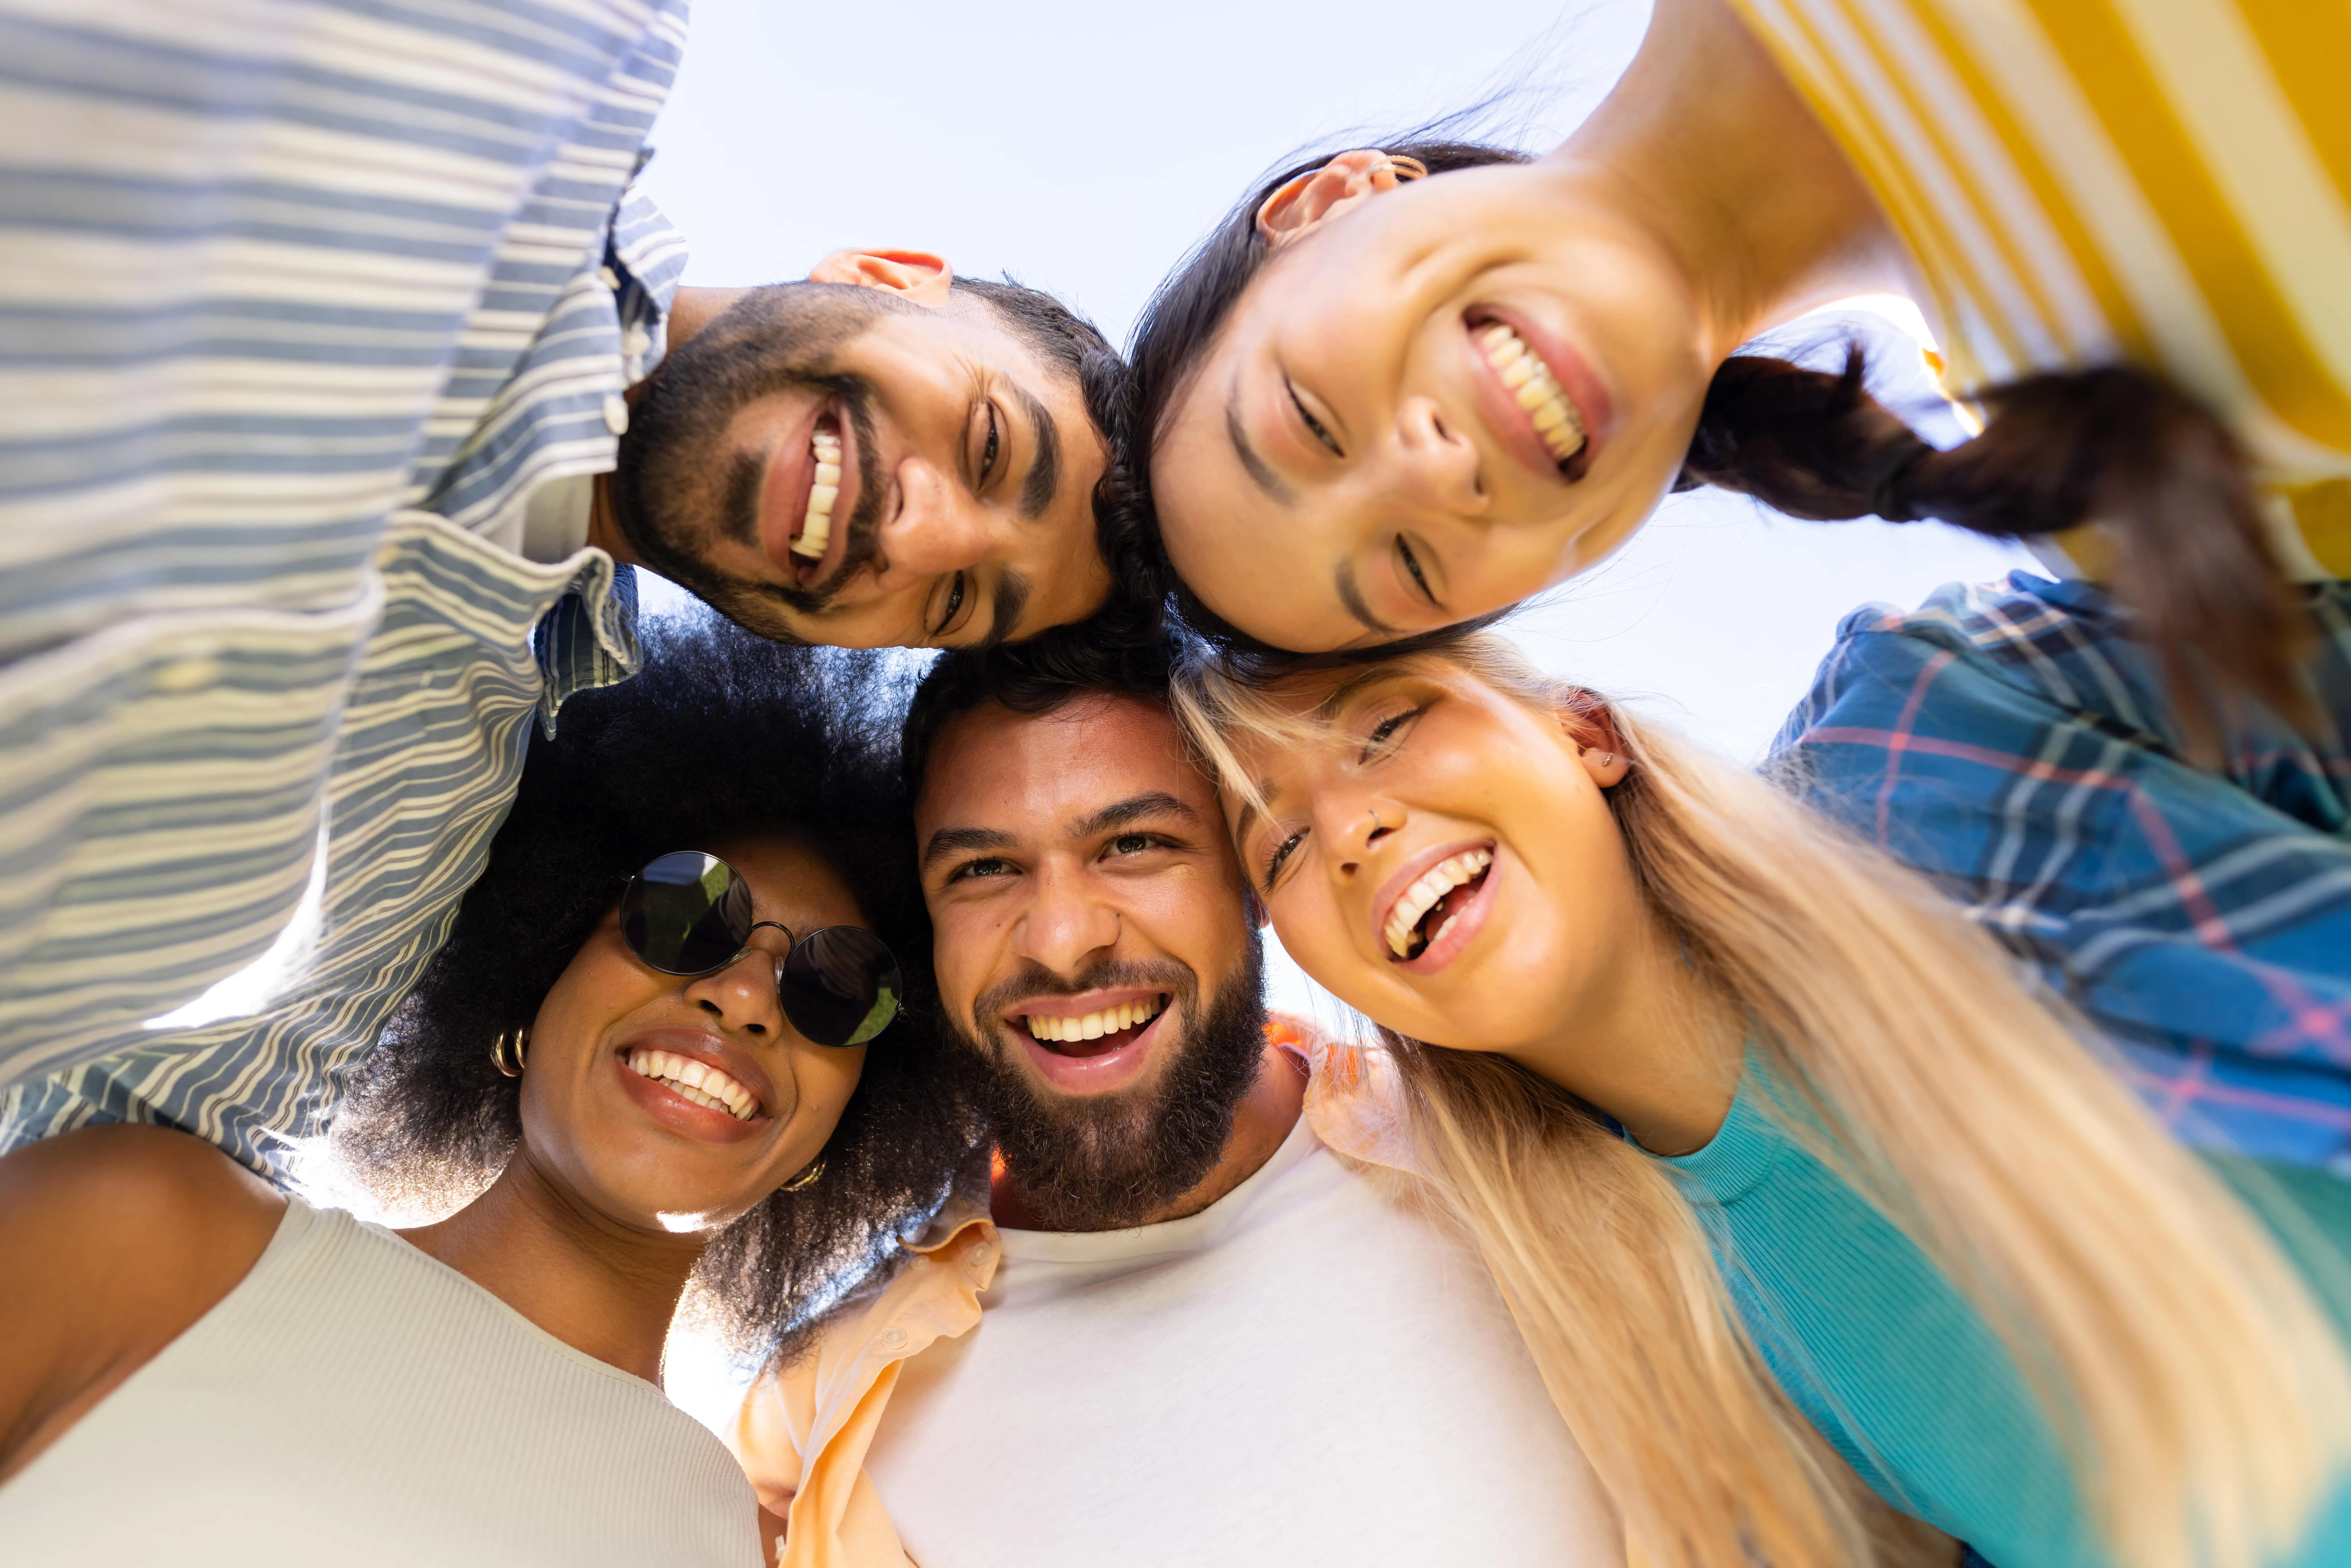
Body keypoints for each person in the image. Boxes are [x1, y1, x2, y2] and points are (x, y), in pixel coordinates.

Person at [0, 0, 1144, 1181]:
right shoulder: (527, 69)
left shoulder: (424, 829)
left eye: (954, 603)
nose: (919, 531)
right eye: (990, 443)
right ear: (887, 275)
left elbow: (137, 1143)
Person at [1170, 630, 2351, 1568]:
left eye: (1382, 727)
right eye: (1275, 848)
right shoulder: (1648, 1335)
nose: (1348, 829)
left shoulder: (1924, 734)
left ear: (1583, 729)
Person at [0, 612, 975, 1565]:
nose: (745, 996)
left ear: (843, 1131)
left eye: (838, 990)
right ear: (540, 961)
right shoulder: (153, 1229)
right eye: (685, 914)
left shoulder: (733, 1541)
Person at [1126, 0, 2347, 717]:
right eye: (1407, 565)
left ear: (1330, 198)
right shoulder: (2147, 494)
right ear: (1554, 570)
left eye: (1305, 419)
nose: (1424, 475)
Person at [728, 632, 1625, 1568]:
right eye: (984, 870)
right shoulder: (814, 1420)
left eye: (1135, 844)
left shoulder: (1528, 1137)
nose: (1065, 940)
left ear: (1255, 879)